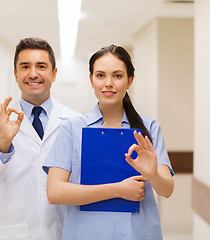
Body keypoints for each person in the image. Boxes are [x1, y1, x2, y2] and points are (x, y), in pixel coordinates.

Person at [43, 45, 174, 240]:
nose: (108, 83)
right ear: (91, 80)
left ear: (129, 81)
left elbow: (167, 190)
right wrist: (119, 190)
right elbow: (55, 192)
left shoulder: (148, 129)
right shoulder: (72, 129)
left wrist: (152, 174)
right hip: (85, 233)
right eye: (101, 75)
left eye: (118, 76)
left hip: (136, 233)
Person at [0, 37, 80, 240]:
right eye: (25, 66)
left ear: (54, 73)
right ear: (15, 74)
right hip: (16, 232)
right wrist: (3, 143)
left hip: (65, 230)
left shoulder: (75, 122)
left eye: (41, 66)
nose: (33, 74)